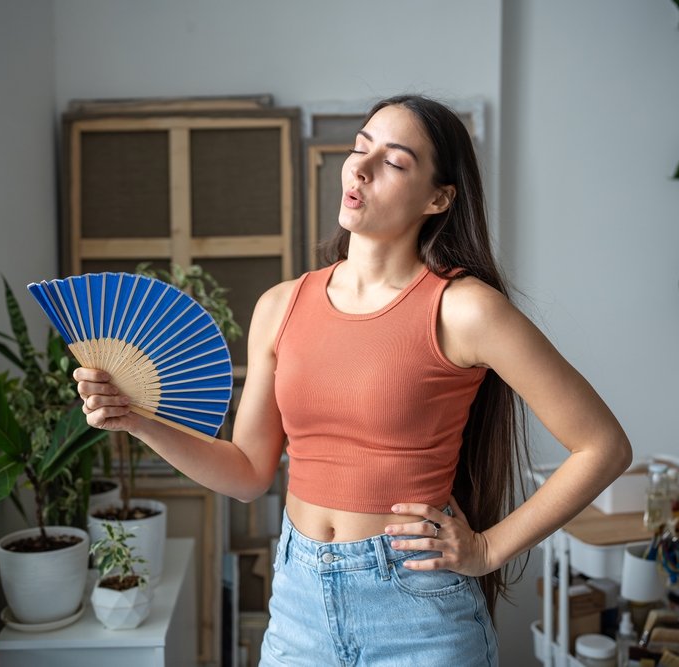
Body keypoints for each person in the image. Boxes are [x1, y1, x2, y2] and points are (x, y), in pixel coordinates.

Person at [74, 94, 632, 666]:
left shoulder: (464, 310)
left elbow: (603, 447)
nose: (360, 168)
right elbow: (246, 473)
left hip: (418, 616)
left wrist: (487, 549)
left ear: (438, 198)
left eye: (393, 161)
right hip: (298, 608)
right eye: (359, 148)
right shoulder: (280, 306)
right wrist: (137, 422)